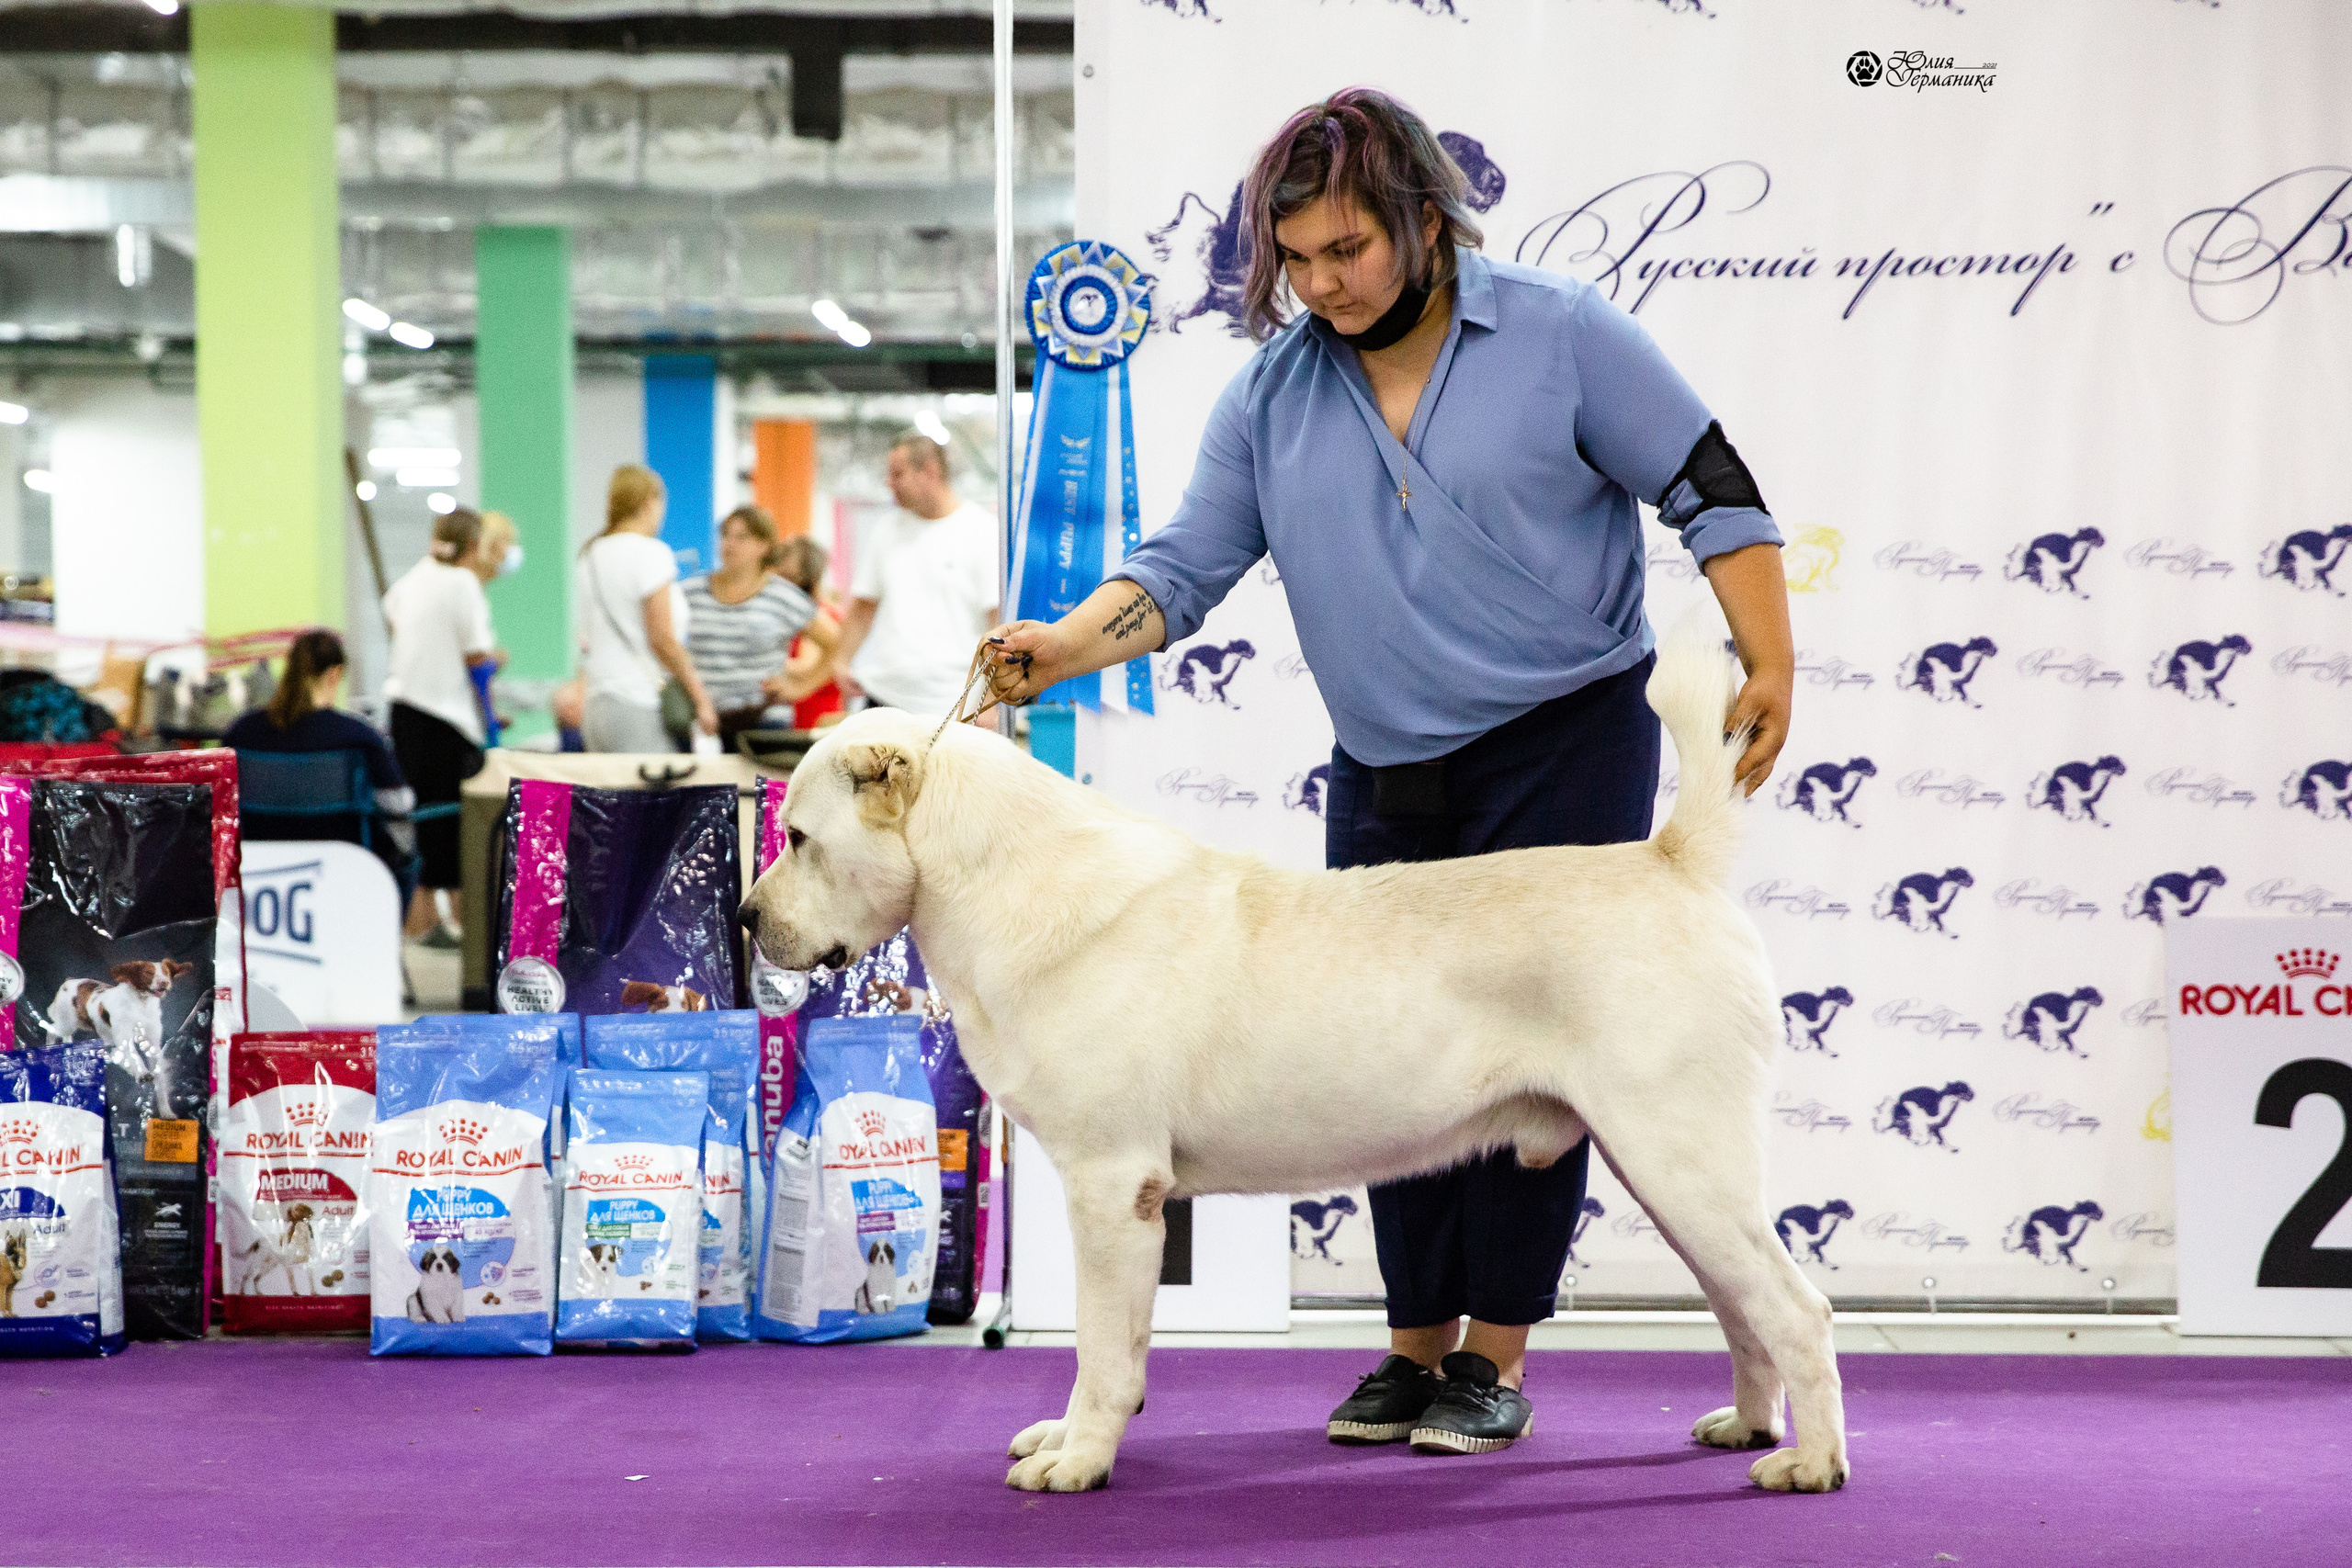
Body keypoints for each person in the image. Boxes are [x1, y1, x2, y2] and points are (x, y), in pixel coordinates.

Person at [982, 88, 1793, 1458]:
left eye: (1347, 248)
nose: (1321, 283)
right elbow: (1183, 568)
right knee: (1375, 1064)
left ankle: (1493, 1358)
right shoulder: (1271, 393)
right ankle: (1413, 1350)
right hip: (1388, 762)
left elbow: (1712, 483)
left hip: (1567, 734)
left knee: (1549, 1062)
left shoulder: (1563, 332)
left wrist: (1768, 654)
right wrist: (1060, 644)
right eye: (1294, 259)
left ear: (1425, 216)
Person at [382, 506, 503, 942]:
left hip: (405, 715)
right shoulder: (463, 583)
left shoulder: (409, 582)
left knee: (420, 828)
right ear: (474, 547)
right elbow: (477, 659)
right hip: (447, 724)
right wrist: (489, 711)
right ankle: (475, 941)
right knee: (464, 830)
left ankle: (422, 924)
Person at [224, 628, 417, 891]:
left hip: (258, 873)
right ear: (334, 674)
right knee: (407, 859)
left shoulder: (242, 733)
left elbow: (218, 801)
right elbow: (399, 803)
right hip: (344, 873)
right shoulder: (358, 735)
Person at [831, 434, 1000, 718]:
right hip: (886, 698)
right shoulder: (887, 530)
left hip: (954, 702)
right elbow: (862, 608)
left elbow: (998, 625)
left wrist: (991, 700)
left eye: (898, 473)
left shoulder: (982, 531)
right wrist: (840, 660)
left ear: (930, 472)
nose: (889, 483)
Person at [575, 465, 719, 751]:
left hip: (596, 703)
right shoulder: (651, 553)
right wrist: (701, 699)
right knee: (654, 795)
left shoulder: (590, 555)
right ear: (651, 502)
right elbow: (662, 639)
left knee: (609, 795)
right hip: (638, 701)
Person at [679, 505, 836, 749]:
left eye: (741, 537)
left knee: (768, 788)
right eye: (725, 535)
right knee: (714, 787)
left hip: (766, 721)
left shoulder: (783, 596)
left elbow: (836, 643)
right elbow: (662, 640)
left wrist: (802, 687)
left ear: (764, 546)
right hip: (705, 720)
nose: (729, 544)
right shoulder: (692, 591)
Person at [768, 534, 847, 729]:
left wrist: (759, 664)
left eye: (786, 578)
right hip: (814, 712)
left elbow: (805, 666)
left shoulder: (814, 615)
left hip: (813, 717)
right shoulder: (823, 610)